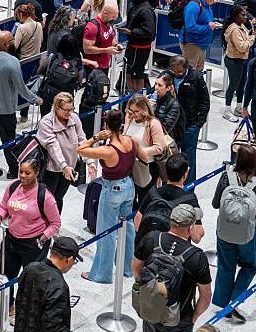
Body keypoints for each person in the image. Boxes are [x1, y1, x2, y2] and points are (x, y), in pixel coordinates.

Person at [209, 145, 256, 322]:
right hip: (247, 234)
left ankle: (222, 303)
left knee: (226, 266)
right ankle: (234, 301)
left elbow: (215, 204)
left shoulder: (226, 177)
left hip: (224, 231)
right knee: (252, 264)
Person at [132, 204, 212, 332]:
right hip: (178, 319)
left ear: (171, 220)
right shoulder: (197, 256)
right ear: (190, 227)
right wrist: (193, 318)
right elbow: (206, 297)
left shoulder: (152, 238)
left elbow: (136, 268)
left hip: (150, 310)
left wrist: (147, 292)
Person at [78, 109, 145, 285]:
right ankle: (127, 268)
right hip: (129, 187)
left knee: (106, 232)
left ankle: (101, 273)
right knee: (128, 229)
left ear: (106, 125)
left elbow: (80, 149)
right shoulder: (131, 141)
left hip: (112, 190)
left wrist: (96, 137)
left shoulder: (108, 150)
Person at [0, 153, 62, 296]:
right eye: (20, 172)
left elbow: (55, 223)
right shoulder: (13, 187)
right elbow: (4, 206)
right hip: (11, 240)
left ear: (37, 173)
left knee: (31, 282)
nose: (23, 176)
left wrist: (43, 237)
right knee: (4, 276)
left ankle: (25, 305)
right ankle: (8, 304)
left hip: (33, 244)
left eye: (27, 173)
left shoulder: (45, 196)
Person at [0, 30, 40, 178]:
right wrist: (35, 99)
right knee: (9, 141)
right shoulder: (12, 62)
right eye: (11, 40)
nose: (13, 42)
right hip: (4, 110)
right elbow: (21, 88)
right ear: (6, 44)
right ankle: (12, 169)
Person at [14, 236, 88, 332]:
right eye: (74, 261)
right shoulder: (58, 285)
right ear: (68, 259)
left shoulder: (30, 268)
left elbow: (20, 302)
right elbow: (52, 324)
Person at [133, 153, 202, 248]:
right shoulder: (190, 199)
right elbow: (196, 237)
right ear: (185, 174)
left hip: (150, 248)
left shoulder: (153, 193)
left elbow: (137, 223)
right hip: (174, 251)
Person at [36, 93, 84, 210]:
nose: (69, 113)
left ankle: (56, 220)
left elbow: (82, 139)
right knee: (47, 199)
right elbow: (53, 146)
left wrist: (90, 161)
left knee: (59, 198)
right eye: (65, 110)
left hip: (69, 168)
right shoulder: (46, 122)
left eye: (71, 109)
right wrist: (64, 166)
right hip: (51, 169)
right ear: (56, 107)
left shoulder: (74, 118)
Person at [167, 55, 210, 182]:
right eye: (174, 71)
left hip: (190, 125)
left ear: (186, 68)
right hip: (172, 125)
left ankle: (188, 187)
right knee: (171, 157)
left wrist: (199, 122)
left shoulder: (196, 77)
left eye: (180, 72)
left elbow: (205, 101)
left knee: (188, 158)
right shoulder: (167, 76)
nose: (177, 74)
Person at [125, 94, 172, 208]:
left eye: (137, 111)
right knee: (129, 199)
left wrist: (139, 151)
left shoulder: (153, 123)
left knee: (144, 201)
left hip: (147, 166)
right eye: (131, 111)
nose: (134, 114)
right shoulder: (129, 118)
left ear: (144, 110)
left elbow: (159, 147)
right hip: (130, 165)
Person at [220, 6, 255, 121]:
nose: (245, 17)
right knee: (233, 85)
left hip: (242, 59)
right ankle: (227, 110)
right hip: (234, 60)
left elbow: (245, 39)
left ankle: (239, 107)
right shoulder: (234, 29)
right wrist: (251, 39)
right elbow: (242, 47)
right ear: (236, 16)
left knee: (242, 84)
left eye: (246, 15)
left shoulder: (241, 26)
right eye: (243, 15)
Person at [123, 0, 156, 92]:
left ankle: (137, 96)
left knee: (137, 75)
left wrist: (131, 32)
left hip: (140, 49)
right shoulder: (134, 5)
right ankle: (131, 95)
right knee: (129, 72)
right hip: (132, 46)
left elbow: (149, 31)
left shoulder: (145, 10)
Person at [180, 0, 222, 71]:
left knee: (198, 71)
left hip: (202, 44)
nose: (214, 2)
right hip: (192, 43)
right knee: (189, 71)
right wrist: (208, 27)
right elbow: (190, 27)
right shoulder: (194, 6)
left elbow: (206, 20)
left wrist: (213, 23)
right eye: (214, 0)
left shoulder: (206, 5)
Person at [154, 73, 185, 144]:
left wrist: (151, 111)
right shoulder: (152, 99)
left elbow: (166, 129)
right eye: (155, 84)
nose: (156, 87)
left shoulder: (174, 105)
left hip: (165, 141)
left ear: (168, 88)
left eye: (160, 85)